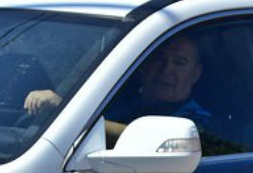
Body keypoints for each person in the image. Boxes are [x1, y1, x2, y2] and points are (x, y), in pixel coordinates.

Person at [25, 34, 210, 144]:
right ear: (144, 65)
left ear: (195, 73)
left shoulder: (197, 120)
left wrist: (67, 111)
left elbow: (150, 141)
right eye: (159, 58)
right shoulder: (118, 101)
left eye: (179, 62)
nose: (166, 69)